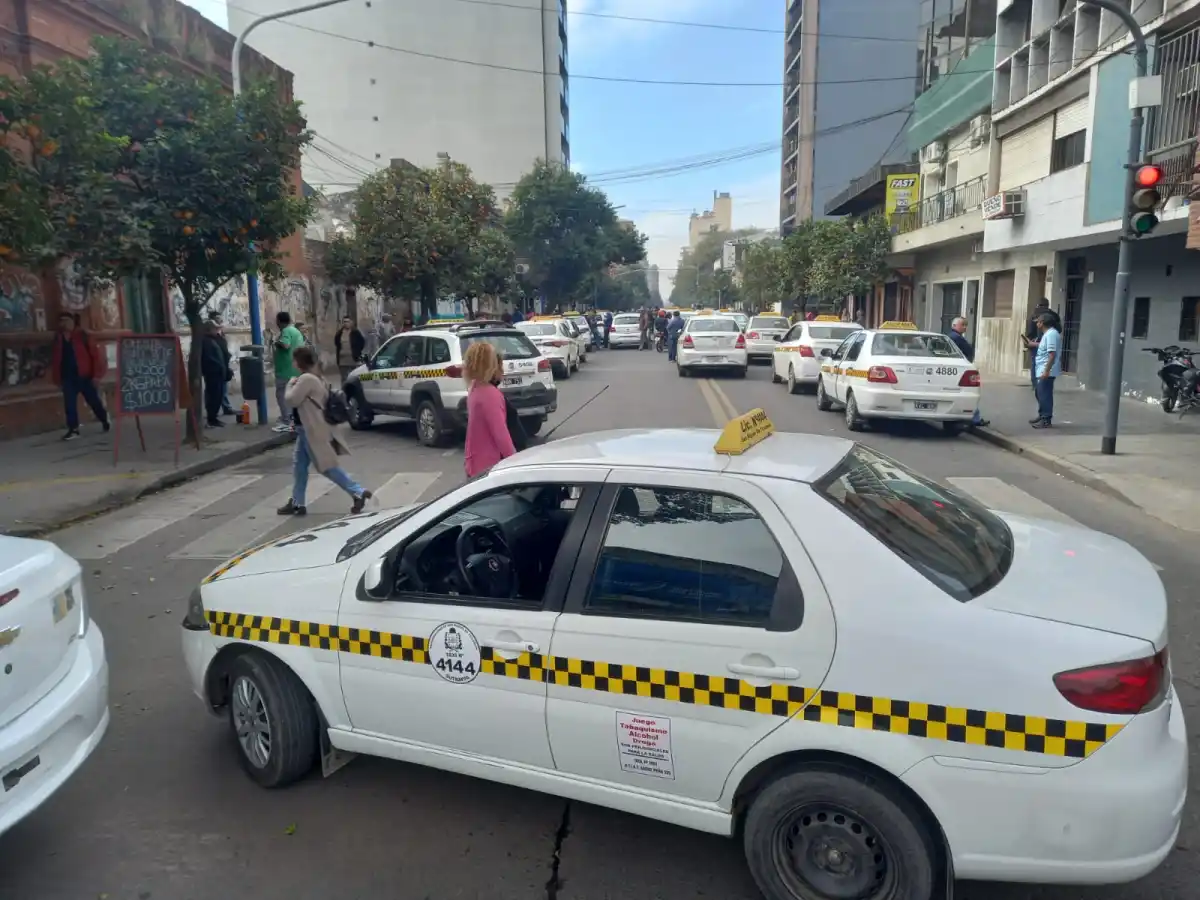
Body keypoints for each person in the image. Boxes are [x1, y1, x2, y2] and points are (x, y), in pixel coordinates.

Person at [278, 346, 372, 516]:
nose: (292, 362)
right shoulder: (315, 376)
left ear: (299, 362)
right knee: (299, 466)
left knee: (326, 466)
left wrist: (289, 385)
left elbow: (291, 400)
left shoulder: (306, 379)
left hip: (311, 429)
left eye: (294, 360)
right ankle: (297, 502)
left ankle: (357, 491)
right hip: (306, 428)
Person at [50, 312, 109, 441]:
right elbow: (56, 359)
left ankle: (104, 419)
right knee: (69, 404)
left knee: (93, 401)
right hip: (68, 377)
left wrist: (96, 376)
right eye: (62, 321)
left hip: (84, 376)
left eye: (67, 321)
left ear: (72, 322)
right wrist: (57, 379)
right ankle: (73, 429)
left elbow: (95, 356)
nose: (65, 324)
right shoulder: (58, 338)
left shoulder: (83, 336)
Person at [462, 341, 516, 479]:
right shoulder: (489, 394)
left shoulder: (475, 388)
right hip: (489, 468)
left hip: (473, 463)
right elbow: (501, 436)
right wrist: (517, 464)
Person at [948, 317, 989, 428]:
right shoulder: (956, 338)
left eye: (966, 325)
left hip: (960, 370)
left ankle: (974, 418)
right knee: (970, 393)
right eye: (963, 325)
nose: (965, 327)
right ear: (954, 325)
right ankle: (974, 419)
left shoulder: (953, 337)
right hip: (961, 370)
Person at [271, 311, 305, 433]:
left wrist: (276, 342)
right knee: (293, 396)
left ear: (279, 321)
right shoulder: (296, 332)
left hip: (285, 370)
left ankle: (287, 420)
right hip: (296, 369)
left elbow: (285, 345)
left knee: (282, 396)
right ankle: (294, 419)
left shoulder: (285, 331)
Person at [1031, 312, 1062, 429]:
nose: (1037, 324)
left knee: (1045, 394)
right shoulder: (1048, 334)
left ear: (1042, 323)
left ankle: (1046, 418)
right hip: (1042, 369)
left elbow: (1052, 354)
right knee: (1039, 392)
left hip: (1046, 370)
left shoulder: (1051, 335)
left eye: (1038, 322)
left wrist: (1046, 371)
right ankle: (1042, 414)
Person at [1022, 300, 1060, 392]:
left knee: (1036, 363)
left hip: (1037, 343)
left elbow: (1030, 331)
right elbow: (1059, 328)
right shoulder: (1054, 315)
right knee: (1045, 362)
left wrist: (1029, 342)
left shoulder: (1034, 315)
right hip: (1048, 343)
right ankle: (1043, 384)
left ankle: (1036, 384)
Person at [200, 321, 231, 428]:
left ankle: (213, 418)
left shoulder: (214, 340)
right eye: (215, 328)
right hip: (213, 373)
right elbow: (210, 359)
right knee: (213, 396)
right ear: (209, 329)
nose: (217, 331)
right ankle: (211, 418)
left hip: (218, 373)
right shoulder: (206, 341)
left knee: (218, 396)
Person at [209, 313, 236, 416]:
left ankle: (225, 407)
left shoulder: (220, 335)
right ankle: (220, 409)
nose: (220, 322)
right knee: (217, 389)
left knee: (222, 388)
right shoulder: (212, 337)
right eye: (218, 320)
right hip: (217, 367)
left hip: (223, 364)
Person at [333, 315, 365, 383]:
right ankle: (344, 392)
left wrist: (357, 351)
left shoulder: (355, 332)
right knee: (344, 378)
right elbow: (336, 343)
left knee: (353, 377)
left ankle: (352, 392)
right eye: (344, 322)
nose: (346, 323)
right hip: (342, 360)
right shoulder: (339, 333)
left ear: (351, 322)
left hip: (353, 359)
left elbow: (362, 342)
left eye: (348, 321)